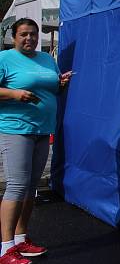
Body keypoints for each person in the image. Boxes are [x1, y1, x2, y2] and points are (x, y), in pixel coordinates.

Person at [0, 19, 72, 264]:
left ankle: (21, 239)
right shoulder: (5, 58)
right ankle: (6, 248)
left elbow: (53, 90)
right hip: (16, 128)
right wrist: (13, 93)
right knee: (17, 185)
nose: (29, 39)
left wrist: (61, 85)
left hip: (43, 129)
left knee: (31, 187)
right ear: (14, 37)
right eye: (23, 35)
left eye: (33, 34)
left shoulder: (46, 59)